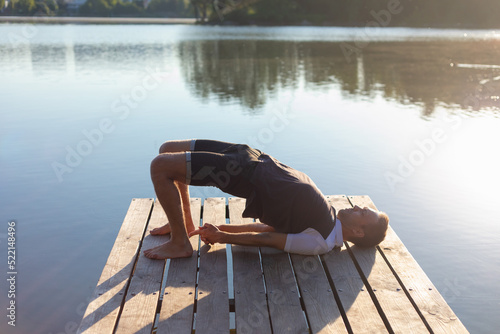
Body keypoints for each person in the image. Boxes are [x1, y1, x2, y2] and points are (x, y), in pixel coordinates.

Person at [143, 139, 389, 260]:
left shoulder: (320, 242)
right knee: (167, 149)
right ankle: (183, 225)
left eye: (363, 212)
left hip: (243, 174)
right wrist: (220, 229)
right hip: (251, 155)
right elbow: (268, 227)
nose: (357, 206)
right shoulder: (329, 216)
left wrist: (222, 237)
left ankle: (180, 243)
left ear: (358, 231)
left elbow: (270, 238)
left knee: (160, 166)